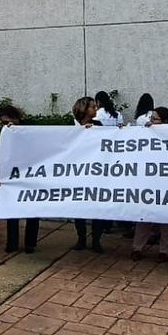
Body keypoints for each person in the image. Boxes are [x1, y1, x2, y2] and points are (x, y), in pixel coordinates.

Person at [131, 106, 168, 262]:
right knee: (144, 217)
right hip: (149, 182)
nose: (151, 122)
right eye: (151, 118)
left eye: (155, 119)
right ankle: (137, 248)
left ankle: (165, 251)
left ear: (165, 122)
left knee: (167, 219)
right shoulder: (144, 134)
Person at [0, 105, 40, 253]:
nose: (6, 125)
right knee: (12, 209)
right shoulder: (6, 132)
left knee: (32, 210)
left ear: (15, 118)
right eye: (3, 123)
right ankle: (12, 243)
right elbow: (3, 153)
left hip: (32, 172)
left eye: (7, 121)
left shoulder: (31, 127)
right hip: (14, 173)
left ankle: (30, 243)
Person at [70, 97, 108, 252]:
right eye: (93, 107)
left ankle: (96, 240)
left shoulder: (99, 125)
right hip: (77, 174)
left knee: (96, 208)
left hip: (95, 174)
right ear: (84, 108)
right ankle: (81, 239)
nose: (96, 110)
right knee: (79, 209)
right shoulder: (70, 126)